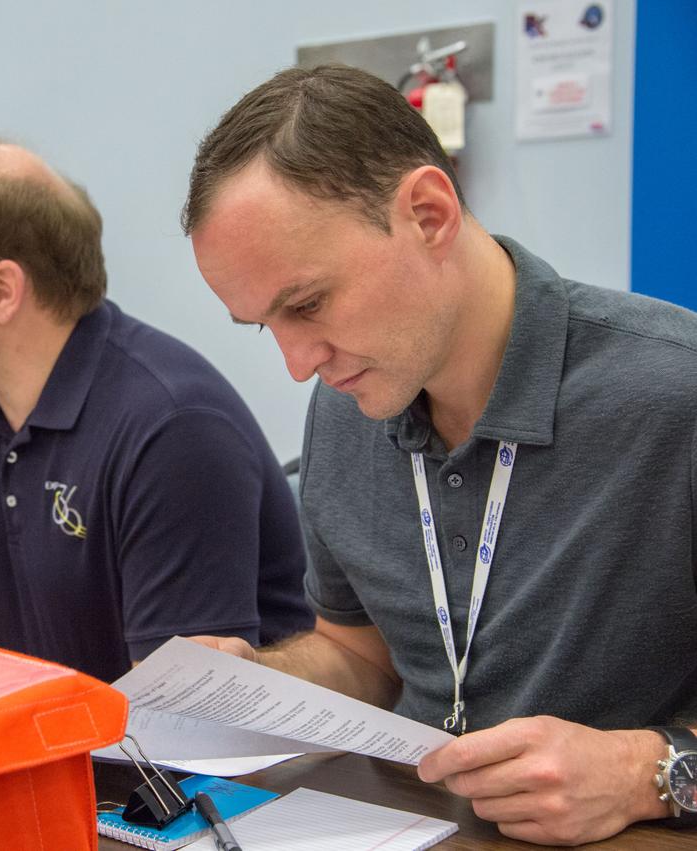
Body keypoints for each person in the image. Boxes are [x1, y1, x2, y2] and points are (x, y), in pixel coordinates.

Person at [183, 64, 697, 845]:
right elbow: (361, 655)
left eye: (308, 302)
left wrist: (646, 772)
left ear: (428, 213)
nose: (296, 362)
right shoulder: (346, 406)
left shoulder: (673, 396)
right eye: (263, 324)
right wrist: (257, 682)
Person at [0, 134, 313, 682]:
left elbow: (179, 715)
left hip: (189, 761)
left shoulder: (172, 431)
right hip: (59, 742)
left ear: (2, 290)